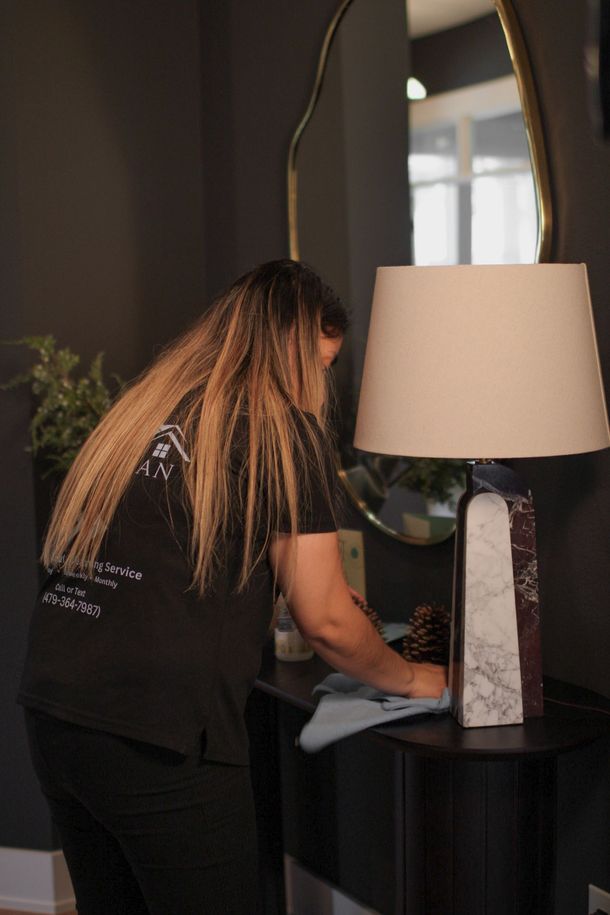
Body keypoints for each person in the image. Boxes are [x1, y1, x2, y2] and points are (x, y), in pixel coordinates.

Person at [18, 259, 446, 915]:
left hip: (57, 711)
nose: (322, 385)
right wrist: (421, 679)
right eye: (323, 364)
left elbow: (173, 560)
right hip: (160, 733)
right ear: (295, 352)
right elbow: (328, 621)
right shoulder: (281, 428)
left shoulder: (144, 411)